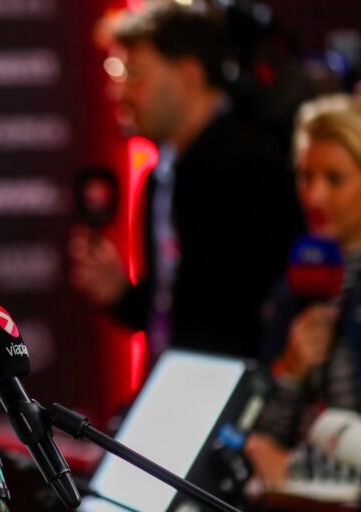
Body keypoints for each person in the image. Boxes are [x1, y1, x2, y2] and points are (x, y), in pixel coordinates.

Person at [69, 2, 301, 360]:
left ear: (189, 76)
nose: (119, 91)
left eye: (134, 72)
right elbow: (178, 311)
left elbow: (256, 320)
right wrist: (122, 295)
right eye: (117, 71)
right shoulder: (163, 174)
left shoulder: (252, 168)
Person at [245, 94, 361, 486]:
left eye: (334, 179)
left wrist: (293, 471)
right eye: (305, 176)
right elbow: (261, 439)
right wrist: (291, 371)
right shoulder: (291, 286)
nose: (314, 196)